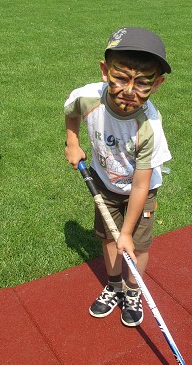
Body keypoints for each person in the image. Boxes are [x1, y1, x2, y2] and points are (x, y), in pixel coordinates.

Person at [64, 27, 171, 327]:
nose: (129, 91)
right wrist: (72, 143)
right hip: (104, 183)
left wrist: (127, 232)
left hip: (142, 190)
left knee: (136, 244)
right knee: (108, 236)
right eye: (121, 77)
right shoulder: (86, 98)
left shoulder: (149, 126)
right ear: (104, 70)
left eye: (142, 84)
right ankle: (113, 284)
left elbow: (141, 183)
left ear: (158, 83)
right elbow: (71, 113)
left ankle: (133, 290)